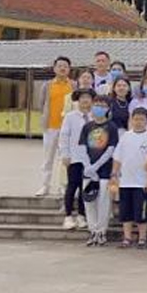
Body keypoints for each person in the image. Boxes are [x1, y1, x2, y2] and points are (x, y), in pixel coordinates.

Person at [78, 97, 119, 246]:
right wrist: (88, 167)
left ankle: (102, 231)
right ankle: (92, 230)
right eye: (97, 105)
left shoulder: (112, 127)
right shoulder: (87, 126)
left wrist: (96, 166)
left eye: (103, 106)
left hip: (105, 171)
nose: (99, 108)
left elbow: (111, 149)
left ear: (108, 109)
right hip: (88, 172)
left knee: (103, 202)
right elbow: (82, 147)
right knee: (89, 202)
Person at [112, 107, 147, 249]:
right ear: (131, 120)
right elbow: (117, 157)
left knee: (141, 212)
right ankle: (127, 238)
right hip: (125, 182)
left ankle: (142, 238)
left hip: (141, 182)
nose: (138, 122)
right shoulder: (126, 136)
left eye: (142, 119)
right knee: (126, 212)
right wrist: (114, 175)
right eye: (136, 119)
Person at [35, 56, 74, 197]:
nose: (62, 68)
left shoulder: (73, 85)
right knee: (48, 158)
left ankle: (63, 186)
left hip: (67, 129)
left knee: (64, 158)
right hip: (51, 127)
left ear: (69, 69)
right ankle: (45, 185)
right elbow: (41, 104)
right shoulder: (47, 85)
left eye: (65, 66)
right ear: (54, 68)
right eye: (60, 66)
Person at [58, 88, 92, 231]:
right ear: (77, 100)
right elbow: (64, 136)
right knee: (72, 186)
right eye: (82, 97)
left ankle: (81, 215)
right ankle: (68, 216)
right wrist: (65, 154)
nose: (85, 100)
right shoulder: (70, 116)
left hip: (89, 159)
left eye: (88, 97)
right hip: (74, 157)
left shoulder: (94, 117)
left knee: (85, 187)